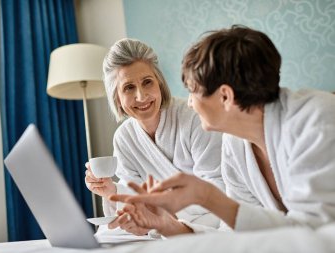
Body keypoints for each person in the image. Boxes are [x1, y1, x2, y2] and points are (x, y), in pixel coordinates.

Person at [110, 25, 335, 231]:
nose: (188, 102)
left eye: (192, 91)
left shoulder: (316, 120)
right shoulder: (235, 145)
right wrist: (169, 226)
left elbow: (314, 235)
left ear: (225, 96)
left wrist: (207, 196)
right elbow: (236, 234)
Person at [84, 38, 224, 236]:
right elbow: (133, 196)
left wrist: (161, 217)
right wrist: (111, 191)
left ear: (159, 83)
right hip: (153, 224)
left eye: (147, 82)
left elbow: (217, 189)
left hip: (207, 220)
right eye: (129, 87)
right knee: (105, 235)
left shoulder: (194, 118)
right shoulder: (124, 137)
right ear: (117, 97)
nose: (141, 97)